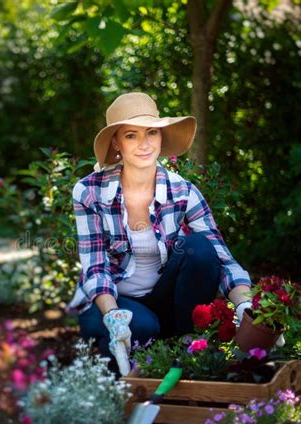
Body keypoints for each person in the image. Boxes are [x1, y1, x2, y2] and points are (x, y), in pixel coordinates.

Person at [64, 92, 253, 376]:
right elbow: (95, 266)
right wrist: (115, 317)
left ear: (161, 136)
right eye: (131, 135)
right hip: (108, 302)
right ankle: (114, 352)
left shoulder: (183, 191)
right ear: (116, 142)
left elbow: (220, 256)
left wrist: (245, 306)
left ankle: (188, 348)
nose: (144, 144)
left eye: (151, 132)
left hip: (161, 298)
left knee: (200, 248)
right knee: (141, 328)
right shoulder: (89, 192)